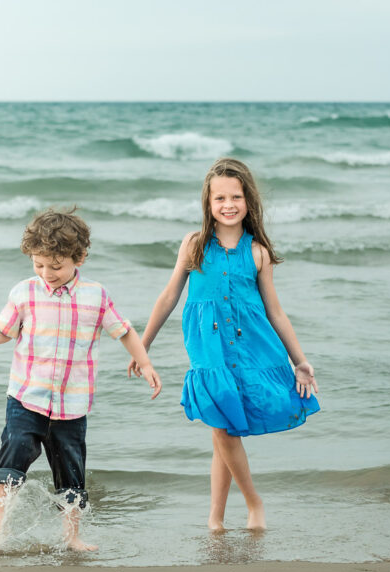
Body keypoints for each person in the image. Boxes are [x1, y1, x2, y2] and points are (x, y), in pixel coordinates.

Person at [0, 207, 161, 554]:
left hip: (72, 406)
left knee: (71, 474)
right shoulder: (24, 292)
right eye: (38, 264)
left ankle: (72, 537)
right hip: (26, 398)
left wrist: (145, 362)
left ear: (78, 257)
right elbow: (3, 331)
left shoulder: (96, 296)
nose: (47, 273)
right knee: (11, 461)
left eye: (56, 265)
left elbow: (123, 331)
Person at [128, 158, 320, 532]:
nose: (228, 204)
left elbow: (275, 312)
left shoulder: (258, 252)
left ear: (249, 200)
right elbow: (168, 297)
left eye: (236, 196)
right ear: (208, 203)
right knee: (222, 426)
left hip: (252, 350)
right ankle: (251, 505)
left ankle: (220, 516)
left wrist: (300, 360)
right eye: (220, 198)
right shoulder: (194, 244)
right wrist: (142, 346)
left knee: (224, 429)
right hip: (208, 351)